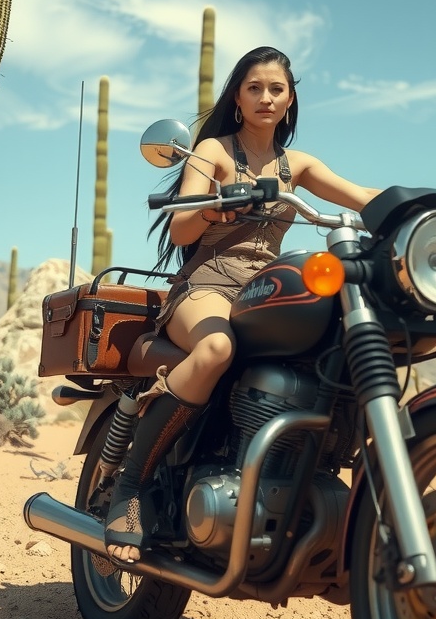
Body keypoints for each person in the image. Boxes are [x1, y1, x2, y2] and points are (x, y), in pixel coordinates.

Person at [105, 45, 380, 563]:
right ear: (238, 96)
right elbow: (181, 225)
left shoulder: (296, 164)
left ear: (290, 98)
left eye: (276, 88)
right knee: (213, 350)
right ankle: (131, 488)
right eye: (254, 87)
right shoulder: (214, 151)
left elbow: (359, 194)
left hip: (265, 292)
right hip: (207, 284)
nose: (265, 97)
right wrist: (217, 207)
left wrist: (420, 202)